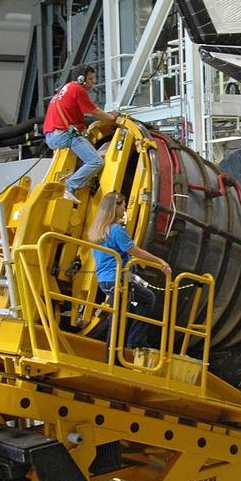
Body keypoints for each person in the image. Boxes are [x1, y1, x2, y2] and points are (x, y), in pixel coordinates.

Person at [87, 193, 171, 349]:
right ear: (115, 207)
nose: (124, 209)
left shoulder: (96, 231)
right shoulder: (116, 230)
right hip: (117, 279)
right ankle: (120, 352)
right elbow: (135, 251)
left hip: (104, 280)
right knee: (120, 316)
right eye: (123, 205)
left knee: (141, 301)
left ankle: (132, 342)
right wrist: (160, 262)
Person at [44, 65, 120, 205]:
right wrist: (111, 118)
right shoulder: (76, 89)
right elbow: (95, 111)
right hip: (64, 135)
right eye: (90, 78)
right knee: (96, 161)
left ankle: (81, 180)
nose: (94, 81)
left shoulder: (64, 90)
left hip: (52, 136)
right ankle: (70, 186)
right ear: (81, 79)